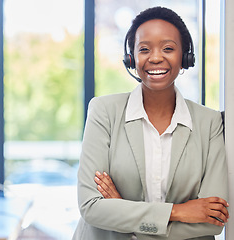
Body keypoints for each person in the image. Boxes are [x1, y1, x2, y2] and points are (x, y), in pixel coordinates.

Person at [72, 6, 229, 240]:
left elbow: (213, 220)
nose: (155, 57)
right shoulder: (104, 112)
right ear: (131, 57)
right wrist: (179, 211)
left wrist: (122, 210)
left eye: (168, 48)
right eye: (144, 49)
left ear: (185, 56)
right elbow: (91, 207)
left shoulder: (210, 123)